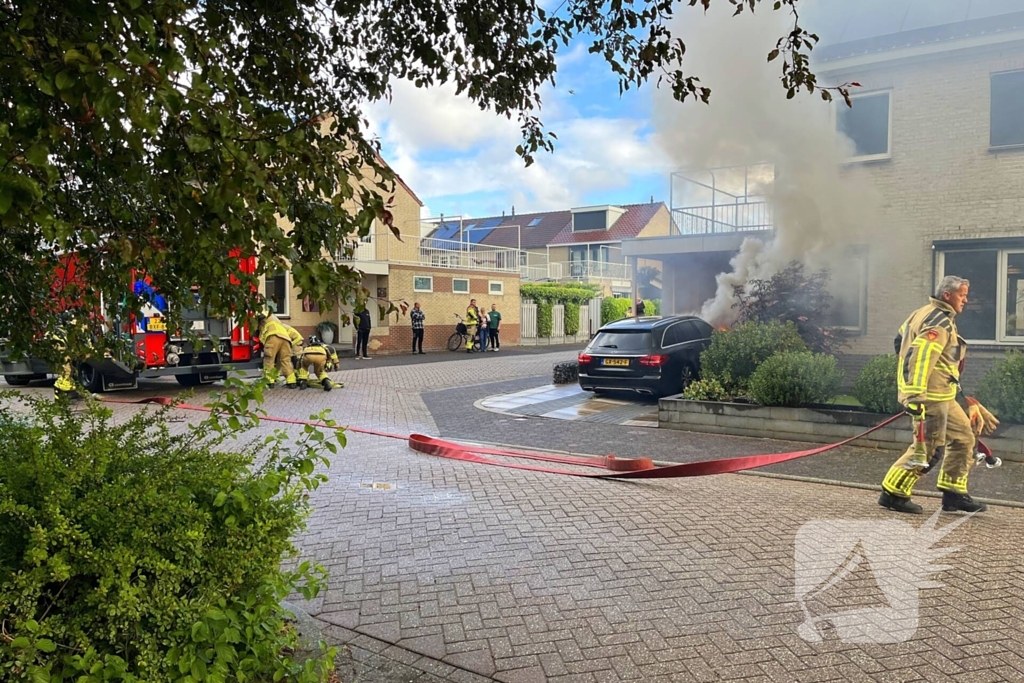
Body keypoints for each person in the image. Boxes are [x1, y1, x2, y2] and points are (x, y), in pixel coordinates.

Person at [879, 275, 1000, 514]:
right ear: (947, 295)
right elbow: (920, 357)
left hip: (944, 394)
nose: (966, 300)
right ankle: (893, 493)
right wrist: (915, 395)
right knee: (928, 447)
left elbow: (899, 340)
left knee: (965, 438)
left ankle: (953, 494)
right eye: (962, 295)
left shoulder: (923, 313)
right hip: (928, 397)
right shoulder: (940, 324)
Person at [256, 311, 298, 388]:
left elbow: (259, 332)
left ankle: (269, 381)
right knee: (286, 361)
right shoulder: (275, 319)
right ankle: (292, 381)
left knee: (269, 360)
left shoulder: (262, 316)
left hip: (273, 337)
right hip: (286, 339)